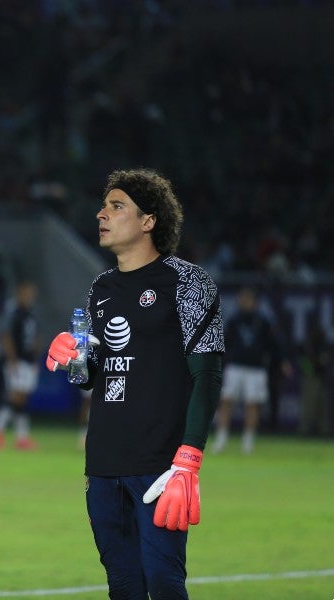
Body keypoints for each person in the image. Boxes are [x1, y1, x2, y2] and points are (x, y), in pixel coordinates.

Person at [46, 169, 224, 599]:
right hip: (104, 459)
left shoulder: (188, 282)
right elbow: (94, 377)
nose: (101, 214)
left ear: (149, 221)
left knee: (163, 582)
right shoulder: (101, 288)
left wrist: (189, 459)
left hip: (161, 463)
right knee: (123, 585)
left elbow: (208, 374)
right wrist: (75, 359)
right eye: (104, 206)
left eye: (116, 206)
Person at [212, 287, 290, 454]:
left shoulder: (263, 322)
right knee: (226, 401)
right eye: (241, 298)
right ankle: (221, 438)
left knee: (252, 405)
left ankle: (248, 440)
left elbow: (275, 345)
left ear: (254, 302)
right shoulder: (235, 320)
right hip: (235, 367)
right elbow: (223, 341)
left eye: (246, 299)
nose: (243, 302)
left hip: (256, 369)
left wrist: (283, 361)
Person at [0, 281, 41, 451]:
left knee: (22, 397)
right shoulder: (13, 313)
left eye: (32, 294)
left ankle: (20, 437)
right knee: (15, 395)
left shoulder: (31, 314)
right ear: (19, 294)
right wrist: (11, 360)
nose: (30, 297)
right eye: (27, 293)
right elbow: (6, 336)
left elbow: (35, 337)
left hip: (28, 361)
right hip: (16, 361)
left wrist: (36, 358)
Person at [298, 327, 331, 437]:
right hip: (311, 378)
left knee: (322, 406)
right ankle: (305, 429)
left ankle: (324, 430)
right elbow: (305, 363)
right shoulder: (310, 346)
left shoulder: (324, 346)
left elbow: (326, 362)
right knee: (309, 405)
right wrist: (310, 370)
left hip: (321, 379)